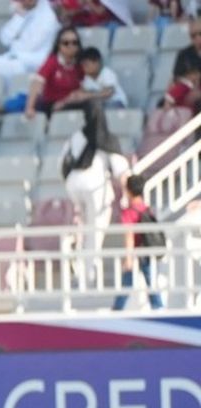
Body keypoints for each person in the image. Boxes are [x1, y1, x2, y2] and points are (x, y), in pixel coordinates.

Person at [62, 100, 130, 284]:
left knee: (81, 227)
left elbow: (64, 160)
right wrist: (129, 195)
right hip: (94, 186)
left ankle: (77, 265)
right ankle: (88, 272)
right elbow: (121, 170)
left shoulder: (76, 136)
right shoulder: (106, 138)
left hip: (73, 184)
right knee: (96, 229)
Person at [113, 174, 166, 311]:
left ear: (128, 191)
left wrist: (128, 258)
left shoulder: (129, 212)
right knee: (150, 280)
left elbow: (129, 236)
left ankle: (118, 309)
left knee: (129, 281)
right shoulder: (146, 208)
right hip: (147, 250)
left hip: (139, 251)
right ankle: (157, 306)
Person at [24, 27, 85, 118]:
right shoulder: (52, 61)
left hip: (72, 103)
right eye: (66, 43)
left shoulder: (81, 63)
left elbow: (84, 88)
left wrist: (66, 101)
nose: (70, 46)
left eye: (74, 43)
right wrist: (29, 108)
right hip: (52, 106)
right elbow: (37, 82)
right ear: (58, 45)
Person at [57, 0, 133, 28]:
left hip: (102, 24)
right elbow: (64, 15)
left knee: (113, 26)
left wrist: (89, 2)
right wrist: (80, 9)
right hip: (83, 25)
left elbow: (100, 12)